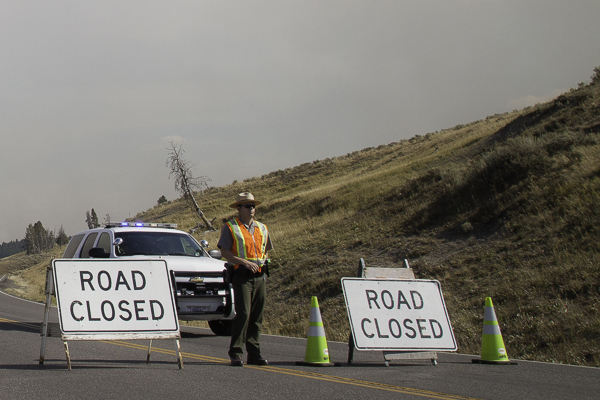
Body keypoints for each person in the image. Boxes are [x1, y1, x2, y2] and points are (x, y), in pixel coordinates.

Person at [218, 192, 273, 366]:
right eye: (248, 206)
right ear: (239, 209)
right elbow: (225, 252)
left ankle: (254, 353)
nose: (252, 209)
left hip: (260, 276)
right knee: (243, 313)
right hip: (242, 276)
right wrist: (244, 263)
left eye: (253, 206)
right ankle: (236, 353)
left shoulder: (262, 228)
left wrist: (263, 261)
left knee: (257, 315)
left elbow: (266, 249)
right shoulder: (231, 227)